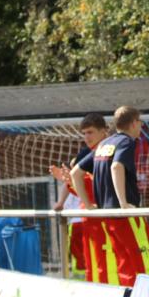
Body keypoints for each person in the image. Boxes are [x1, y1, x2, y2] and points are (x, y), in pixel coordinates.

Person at [71, 105, 149, 286]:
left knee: (124, 262)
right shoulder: (126, 142)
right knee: (145, 260)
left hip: (107, 217)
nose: (141, 126)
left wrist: (87, 204)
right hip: (125, 215)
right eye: (140, 122)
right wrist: (124, 203)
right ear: (134, 123)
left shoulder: (103, 145)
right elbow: (116, 167)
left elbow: (75, 173)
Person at [50, 113, 115, 283]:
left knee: (107, 264)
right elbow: (88, 191)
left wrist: (72, 181)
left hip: (106, 219)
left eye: (91, 132)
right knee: (93, 265)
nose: (87, 137)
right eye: (84, 133)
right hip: (90, 219)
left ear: (104, 132)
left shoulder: (108, 153)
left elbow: (100, 191)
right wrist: (70, 182)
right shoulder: (90, 154)